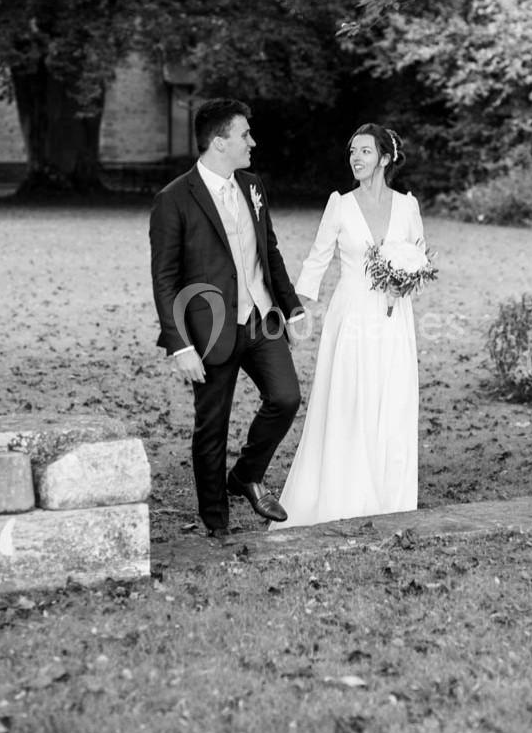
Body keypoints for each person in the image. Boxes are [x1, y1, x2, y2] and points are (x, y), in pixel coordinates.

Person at [149, 98, 306, 540]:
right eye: (244, 135)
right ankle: (217, 521)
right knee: (212, 427)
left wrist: (291, 309)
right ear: (219, 143)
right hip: (210, 329)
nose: (252, 142)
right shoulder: (173, 200)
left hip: (261, 319)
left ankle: (246, 475)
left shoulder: (252, 185)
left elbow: (268, 251)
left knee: (286, 397)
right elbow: (164, 279)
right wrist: (179, 344)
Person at [271, 123, 424, 529]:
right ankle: (346, 493)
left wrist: (404, 281)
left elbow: (419, 258)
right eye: (352, 151)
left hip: (394, 317)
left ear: (385, 158)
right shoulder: (339, 204)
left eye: (365, 152)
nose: (355, 158)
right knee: (351, 397)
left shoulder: (408, 207)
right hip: (352, 312)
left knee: (391, 397)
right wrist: (296, 311)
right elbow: (317, 261)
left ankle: (389, 494)